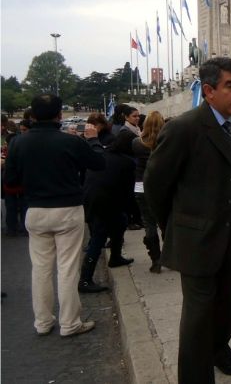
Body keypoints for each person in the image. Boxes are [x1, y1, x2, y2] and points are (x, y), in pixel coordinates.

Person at [144, 57, 231, 382]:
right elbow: (156, 185)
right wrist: (179, 227)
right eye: (230, 86)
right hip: (198, 241)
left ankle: (219, 350)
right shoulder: (183, 128)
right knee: (198, 318)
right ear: (208, 90)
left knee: (225, 308)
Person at [4, 94, 105, 337]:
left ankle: (43, 321)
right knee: (67, 268)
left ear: (33, 115)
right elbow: (98, 164)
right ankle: (70, 322)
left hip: (36, 209)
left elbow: (10, 180)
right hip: (67, 208)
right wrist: (92, 140)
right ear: (60, 115)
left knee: (40, 268)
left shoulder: (18, 142)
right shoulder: (69, 141)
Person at [80, 129, 138, 292]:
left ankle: (116, 257)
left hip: (91, 199)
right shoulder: (127, 162)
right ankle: (85, 279)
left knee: (120, 223)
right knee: (98, 239)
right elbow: (128, 191)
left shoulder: (103, 154)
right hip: (107, 202)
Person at [132, 111, 165, 273]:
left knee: (149, 223)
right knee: (165, 223)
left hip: (141, 186)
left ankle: (156, 259)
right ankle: (169, 256)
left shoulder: (137, 143)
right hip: (161, 186)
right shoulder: (166, 142)